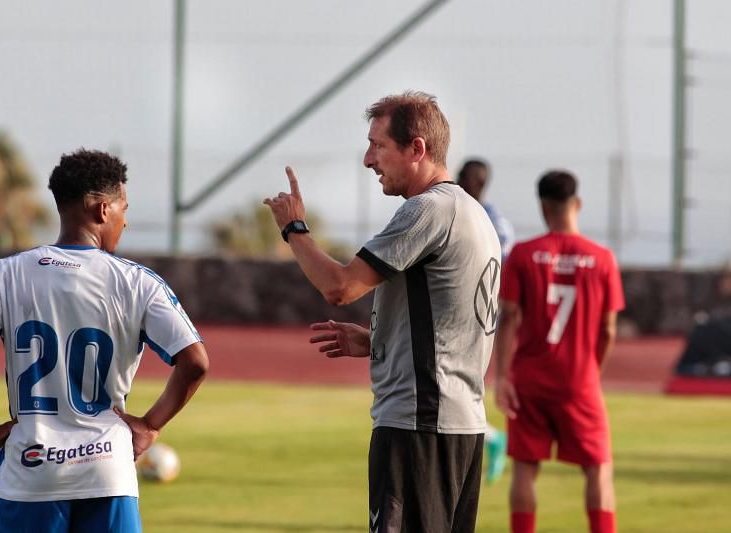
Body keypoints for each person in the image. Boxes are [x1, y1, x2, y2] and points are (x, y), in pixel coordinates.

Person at [264, 91, 501, 532]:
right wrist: (379, 341)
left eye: (379, 145)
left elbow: (341, 286)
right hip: (459, 425)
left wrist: (294, 228)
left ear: (417, 149)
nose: (369, 160)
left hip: (419, 424)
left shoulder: (428, 209)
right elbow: (455, 325)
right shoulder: (472, 213)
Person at [0, 149, 209, 532]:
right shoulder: (137, 282)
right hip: (107, 472)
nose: (126, 220)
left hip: (29, 471)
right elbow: (196, 361)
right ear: (103, 210)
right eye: (124, 208)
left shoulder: (6, 274)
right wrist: (151, 425)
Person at [493, 170, 624, 533]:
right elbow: (609, 328)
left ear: (542, 207)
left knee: (524, 468)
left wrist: (503, 377)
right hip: (579, 380)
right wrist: (592, 370)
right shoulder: (603, 258)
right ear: (577, 204)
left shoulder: (522, 254)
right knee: (598, 469)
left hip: (529, 379)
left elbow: (509, 318)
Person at [457, 157, 515, 485]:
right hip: (459, 311)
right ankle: (489, 438)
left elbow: (503, 271)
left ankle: (489, 438)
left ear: (477, 182)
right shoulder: (454, 209)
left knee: (460, 383)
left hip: (479, 315)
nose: (457, 179)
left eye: (464, 176)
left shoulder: (494, 222)